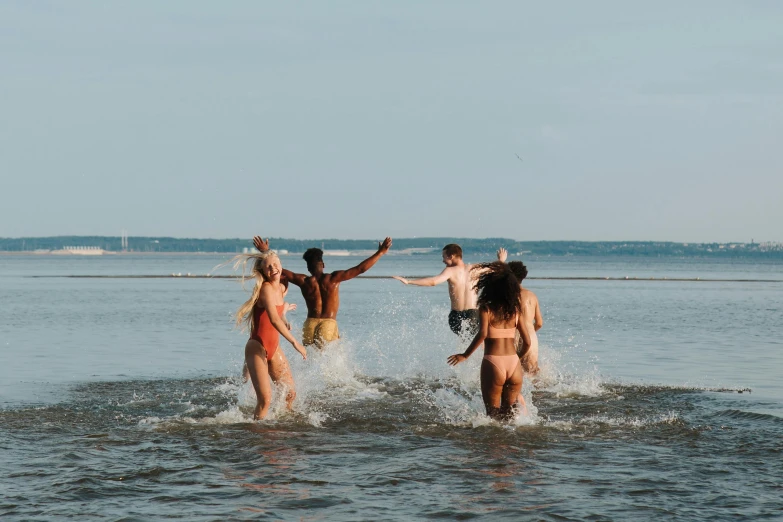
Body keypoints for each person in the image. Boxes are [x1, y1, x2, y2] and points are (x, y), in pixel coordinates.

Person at [253, 236, 393, 348]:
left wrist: (266, 252)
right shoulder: (333, 279)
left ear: (308, 268)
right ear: (323, 265)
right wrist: (380, 252)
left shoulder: (303, 281)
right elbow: (360, 269)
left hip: (309, 324)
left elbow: (277, 269)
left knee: (310, 361)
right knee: (330, 360)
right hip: (328, 324)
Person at [447, 262, 531, 420]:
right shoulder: (515, 311)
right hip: (514, 364)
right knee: (509, 415)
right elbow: (527, 342)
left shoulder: (486, 308)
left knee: (492, 415)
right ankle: (510, 445)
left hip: (494, 363)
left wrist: (465, 355)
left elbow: (483, 334)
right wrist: (517, 359)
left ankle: (494, 445)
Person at [234, 251, 307, 420]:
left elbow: (277, 311)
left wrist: (285, 312)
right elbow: (273, 319)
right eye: (268, 267)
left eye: (276, 264)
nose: (273, 269)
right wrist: (295, 342)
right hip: (257, 347)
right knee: (265, 400)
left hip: (274, 349)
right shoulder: (265, 288)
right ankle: (257, 435)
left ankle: (283, 424)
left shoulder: (282, 287)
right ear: (262, 271)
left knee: (289, 394)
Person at [393, 244, 505, 337]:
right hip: (474, 315)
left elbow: (433, 281)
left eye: (444, 257)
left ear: (451, 256)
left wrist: (409, 282)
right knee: (476, 342)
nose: (443, 260)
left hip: (456, 317)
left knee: (465, 340)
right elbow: (497, 269)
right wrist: (501, 260)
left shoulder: (450, 271)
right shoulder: (476, 269)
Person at [507, 261, 543, 374]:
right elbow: (539, 323)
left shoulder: (508, 295)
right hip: (531, 337)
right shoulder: (532, 295)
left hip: (514, 335)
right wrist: (528, 333)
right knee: (532, 374)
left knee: (512, 373)